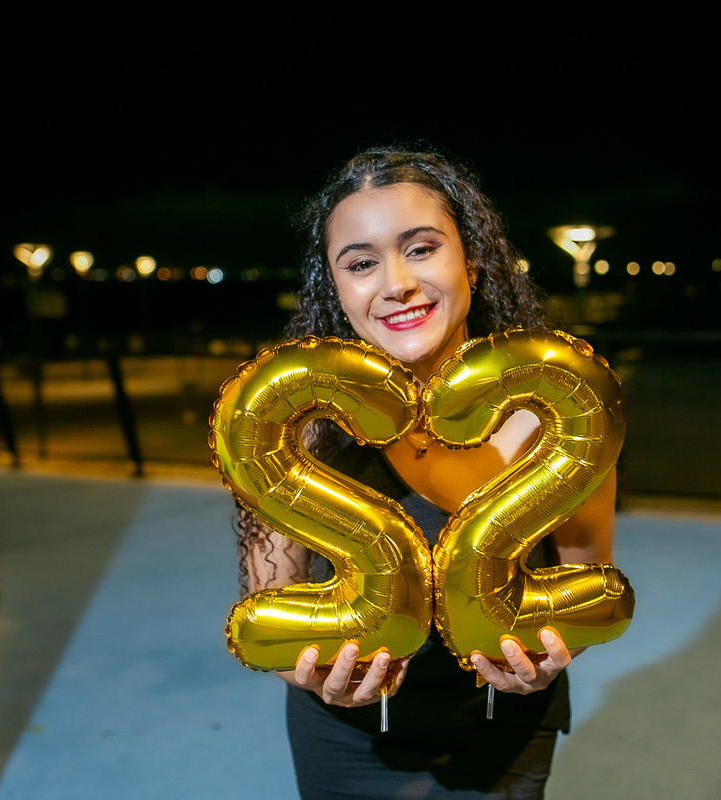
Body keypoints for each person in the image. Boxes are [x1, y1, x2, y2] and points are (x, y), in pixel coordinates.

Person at [233, 147, 618, 799]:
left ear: (470, 259)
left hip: (502, 731)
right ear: (336, 286)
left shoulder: (559, 414)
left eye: (420, 248)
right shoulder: (293, 423)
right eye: (360, 263)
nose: (396, 283)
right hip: (344, 737)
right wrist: (304, 673)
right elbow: (270, 607)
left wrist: (550, 662)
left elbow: (585, 587)